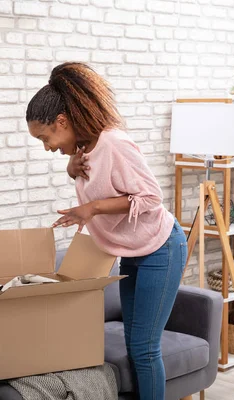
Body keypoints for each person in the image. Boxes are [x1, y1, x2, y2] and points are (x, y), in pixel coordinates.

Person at [25, 62, 187, 400]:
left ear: (62, 122)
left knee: (144, 349)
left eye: (45, 137)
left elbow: (152, 197)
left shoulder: (114, 143)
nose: (46, 147)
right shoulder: (83, 149)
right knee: (134, 343)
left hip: (160, 248)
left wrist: (93, 208)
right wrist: (73, 172)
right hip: (131, 253)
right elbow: (99, 184)